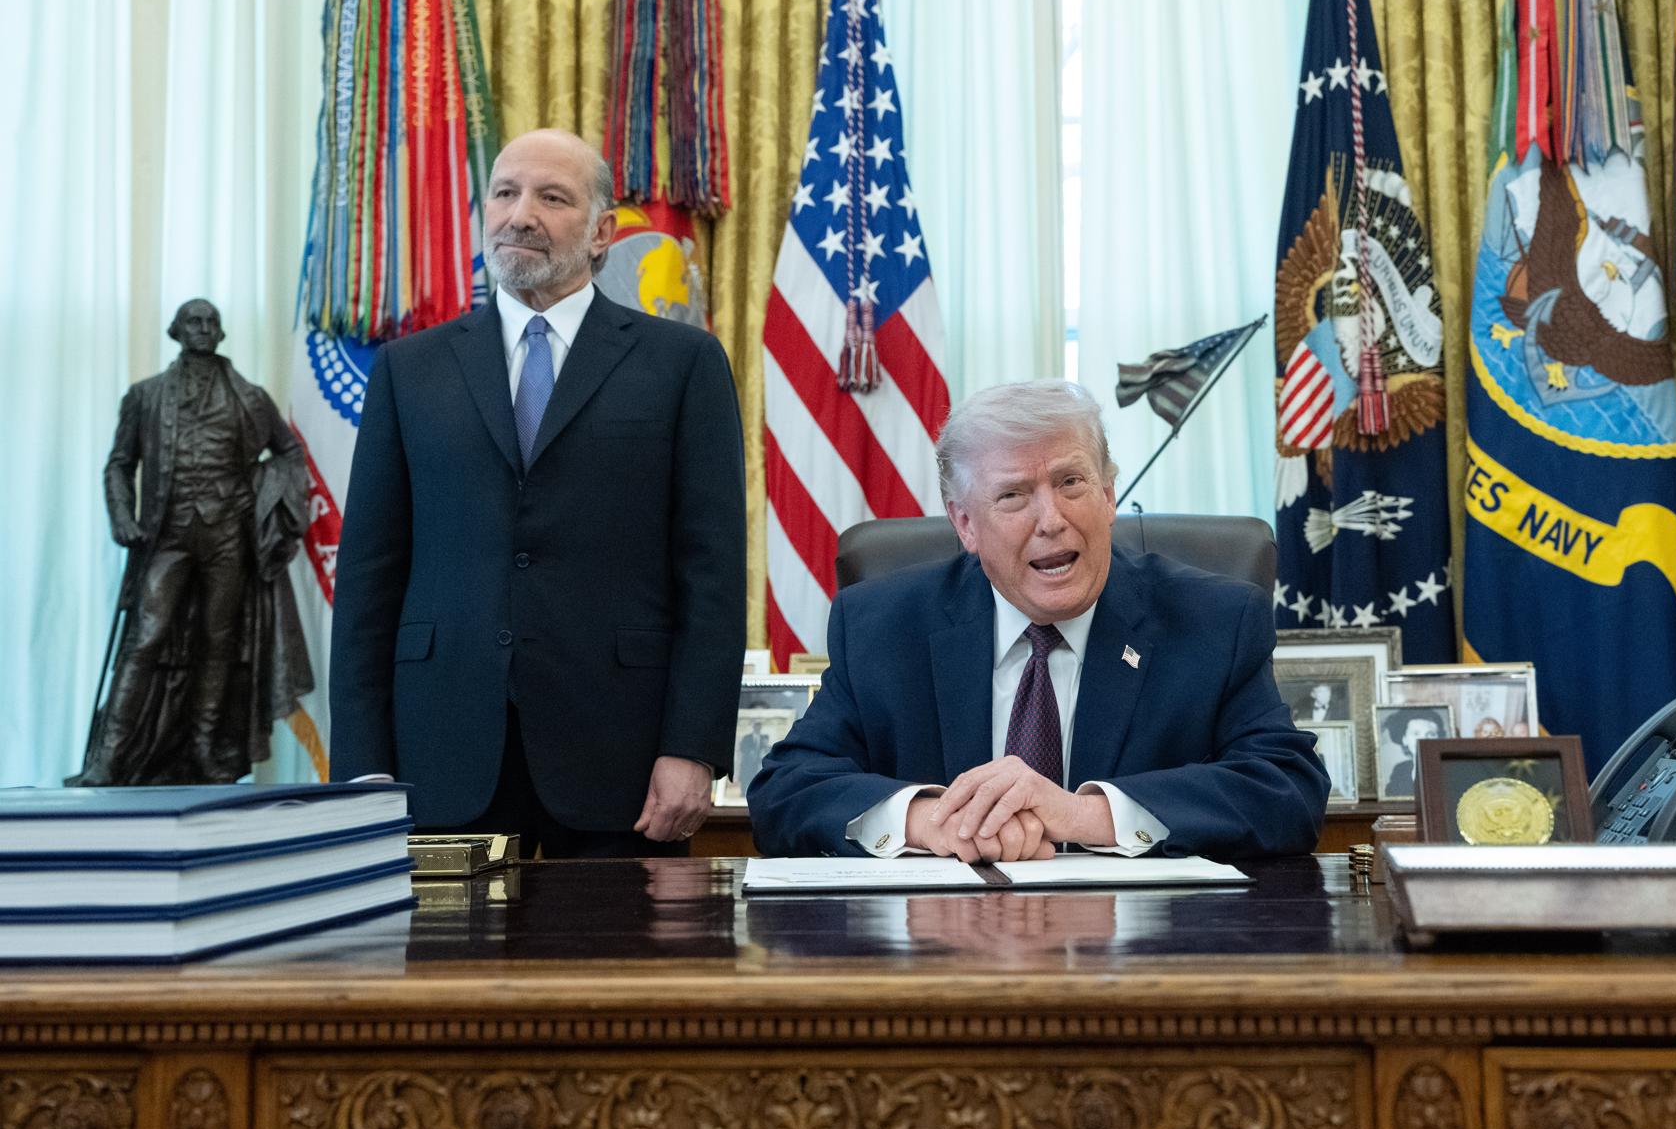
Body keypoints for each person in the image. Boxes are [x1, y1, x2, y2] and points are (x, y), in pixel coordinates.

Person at [330, 128, 746, 856]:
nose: (520, 215)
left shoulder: (682, 364)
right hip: (439, 756)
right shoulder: (409, 369)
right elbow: (369, 575)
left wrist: (694, 747)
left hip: (621, 762)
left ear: (601, 233)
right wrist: (363, 763)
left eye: (552, 198)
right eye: (505, 193)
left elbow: (711, 575)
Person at [748, 380, 1328, 861]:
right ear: (965, 524)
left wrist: (1081, 813)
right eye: (1013, 496)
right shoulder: (882, 626)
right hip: (943, 951)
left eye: (1071, 483)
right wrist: (931, 821)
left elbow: (1288, 789)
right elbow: (786, 791)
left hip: (1141, 950)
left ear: (1108, 494)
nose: (1051, 520)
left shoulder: (1214, 620)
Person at [74, 299, 312, 786]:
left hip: (228, 536)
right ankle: (108, 758)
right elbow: (119, 464)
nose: (204, 329)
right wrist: (122, 517)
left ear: (220, 333)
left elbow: (290, 452)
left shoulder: (250, 397)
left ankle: (205, 748)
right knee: (145, 637)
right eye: (194, 321)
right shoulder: (145, 396)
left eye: (211, 322)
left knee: (218, 641)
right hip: (168, 535)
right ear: (176, 330)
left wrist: (265, 493)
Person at [1384, 710, 1444, 798]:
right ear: (1404, 739)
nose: (1422, 740)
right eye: (1416, 734)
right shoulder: (1400, 770)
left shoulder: (1445, 770)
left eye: (1431, 734)